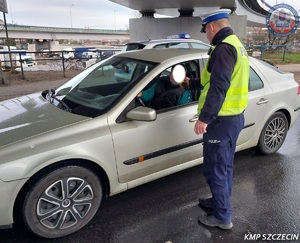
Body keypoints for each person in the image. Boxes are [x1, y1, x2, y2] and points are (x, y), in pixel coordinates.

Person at [193, 9, 250, 230]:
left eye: (206, 31)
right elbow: (212, 81)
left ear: (211, 27)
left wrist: (204, 119)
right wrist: (190, 82)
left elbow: (219, 87)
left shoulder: (224, 48)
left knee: (216, 168)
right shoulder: (236, 45)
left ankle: (222, 217)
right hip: (232, 119)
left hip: (220, 121)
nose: (206, 35)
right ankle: (219, 203)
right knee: (223, 167)